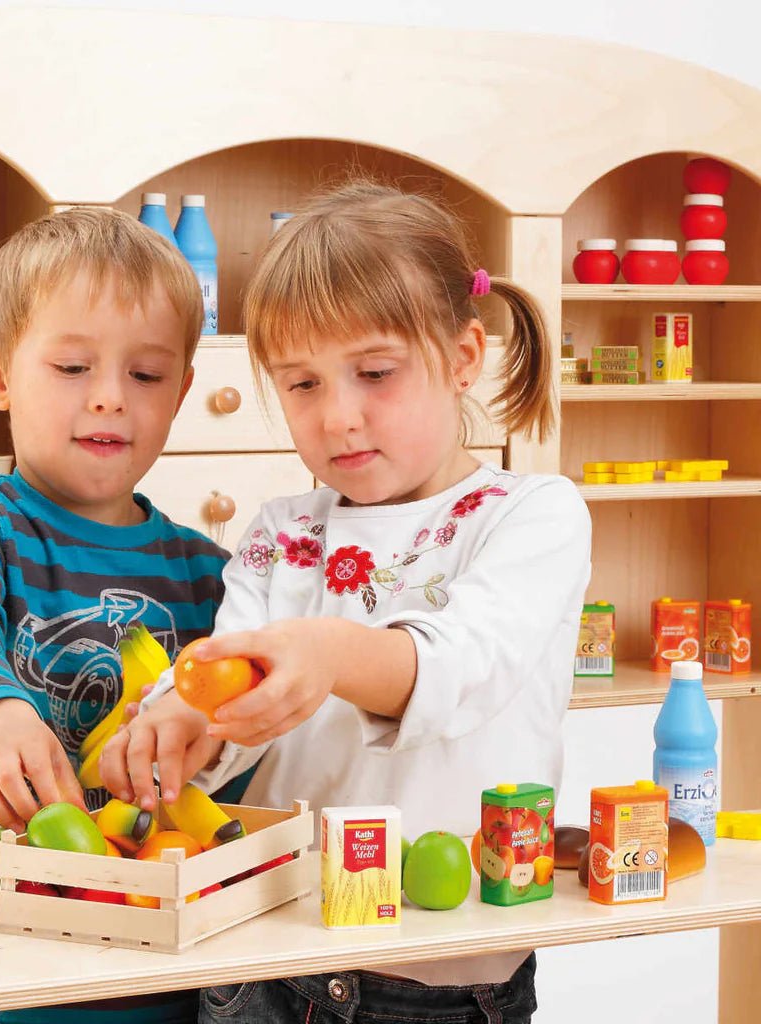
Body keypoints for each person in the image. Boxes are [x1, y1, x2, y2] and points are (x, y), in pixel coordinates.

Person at [100, 182, 592, 1024]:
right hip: (264, 961)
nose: (339, 417)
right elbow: (232, 682)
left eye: (374, 373)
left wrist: (327, 653)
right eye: (301, 385)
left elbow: (461, 663)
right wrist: (183, 720)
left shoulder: (533, 515)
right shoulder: (281, 531)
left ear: (464, 356)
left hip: (437, 979)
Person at [0, 206, 230, 1024]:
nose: (111, 400)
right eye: (73, 367)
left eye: (147, 376)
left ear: (182, 392)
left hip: (163, 949)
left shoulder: (207, 570)